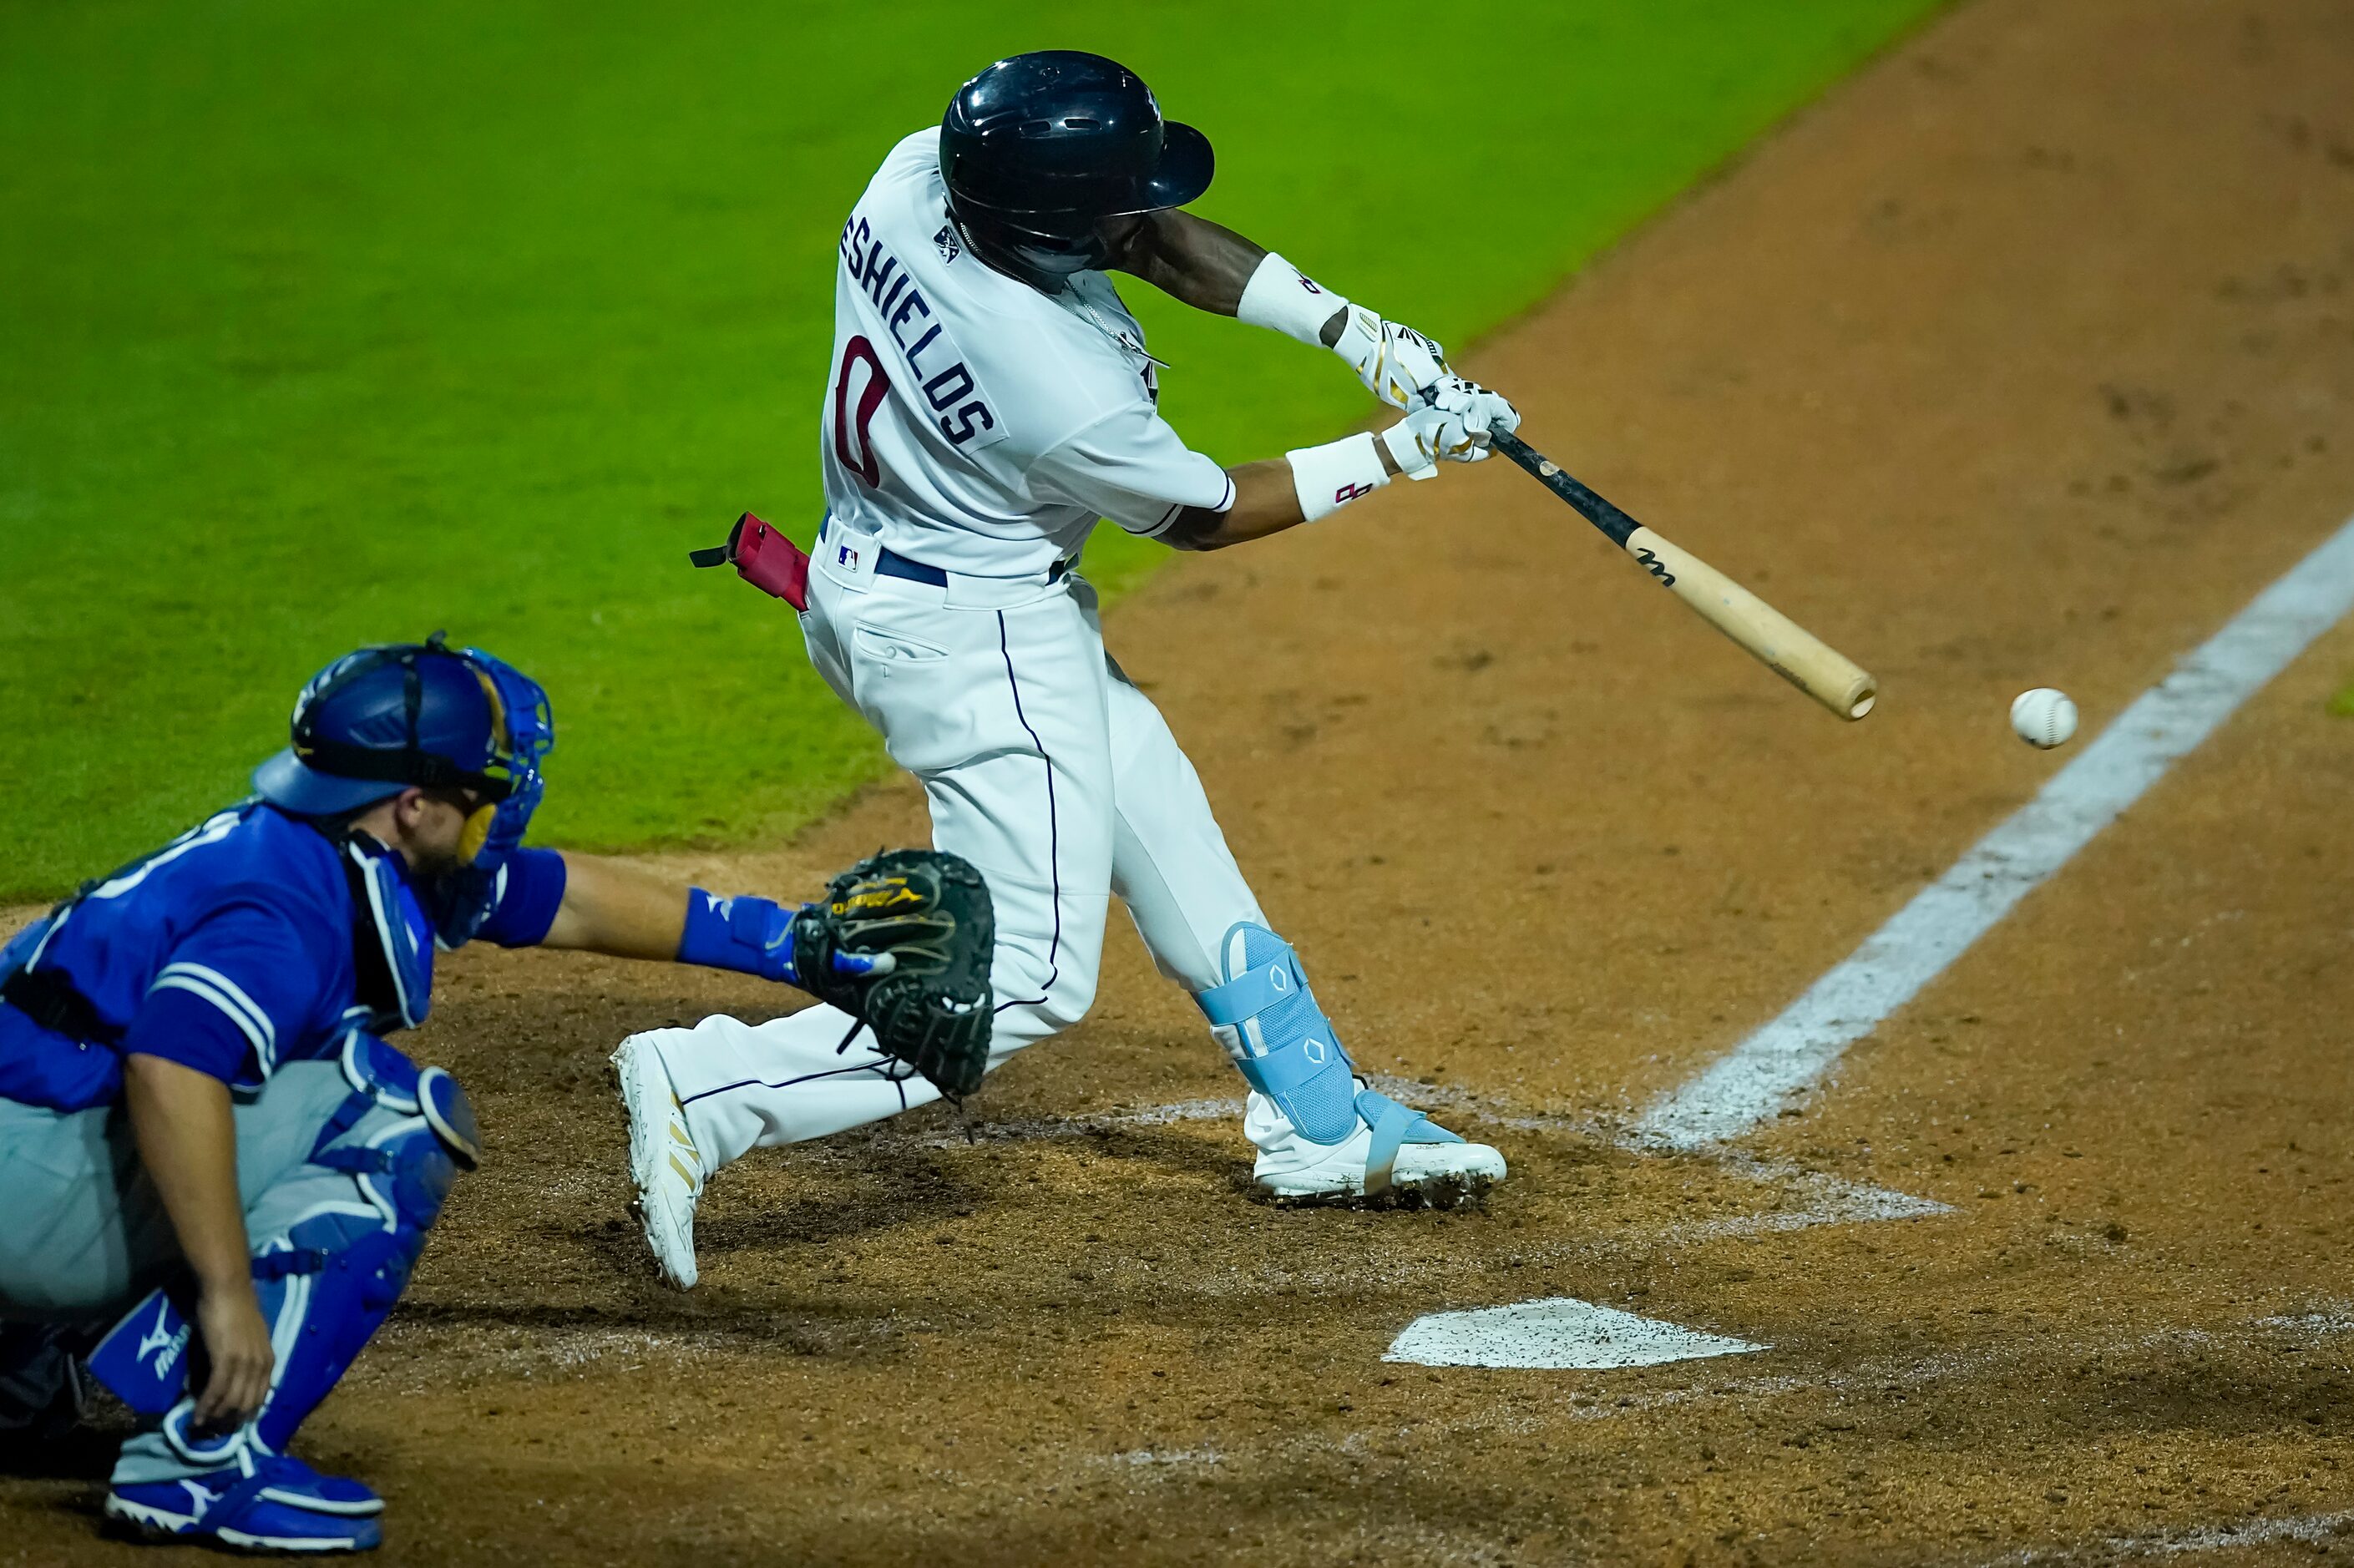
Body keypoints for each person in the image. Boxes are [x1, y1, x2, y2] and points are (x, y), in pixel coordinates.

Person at [614, 49, 1520, 1292]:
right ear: (1050, 223)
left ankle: (1318, 1120)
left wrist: (1355, 331)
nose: (1133, 211)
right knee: (1026, 978)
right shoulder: (1056, 387)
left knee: (1156, 805)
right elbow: (1204, 513)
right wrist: (1402, 449)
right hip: (975, 644)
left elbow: (1140, 235)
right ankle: (713, 1087)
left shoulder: (917, 176)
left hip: (878, 572)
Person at [0, 636, 964, 1553]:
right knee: (380, 1116)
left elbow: (568, 898)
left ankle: (23, 1359)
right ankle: (199, 1468)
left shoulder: (334, 841)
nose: (497, 810)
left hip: (26, 1143)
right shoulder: (283, 908)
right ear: (413, 804)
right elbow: (170, 1071)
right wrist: (222, 1295)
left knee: (269, 1087)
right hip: (23, 1178)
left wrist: (791, 945)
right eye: (479, 792)